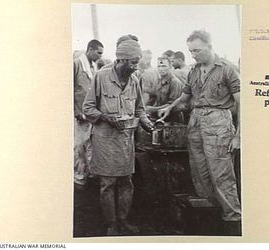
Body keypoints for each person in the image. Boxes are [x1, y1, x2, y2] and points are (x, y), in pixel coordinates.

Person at [158, 30, 241, 235]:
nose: (194, 55)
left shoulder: (227, 69)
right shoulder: (194, 71)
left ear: (210, 46)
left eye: (197, 50)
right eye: (191, 51)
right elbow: (185, 98)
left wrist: (239, 136)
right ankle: (211, 221)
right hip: (195, 123)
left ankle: (233, 221)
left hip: (218, 122)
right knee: (200, 174)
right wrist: (170, 108)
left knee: (221, 175)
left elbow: (243, 104)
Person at [82, 39, 154, 236]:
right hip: (105, 139)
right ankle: (111, 224)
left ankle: (123, 220)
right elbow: (87, 108)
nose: (135, 66)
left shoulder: (134, 79)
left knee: (126, 182)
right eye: (132, 62)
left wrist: (147, 123)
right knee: (107, 183)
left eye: (137, 62)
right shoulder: (101, 76)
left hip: (125, 140)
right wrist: (107, 118)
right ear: (121, 60)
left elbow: (139, 109)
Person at [73, 39, 104, 186]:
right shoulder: (76, 64)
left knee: (91, 144)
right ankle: (79, 177)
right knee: (79, 146)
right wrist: (75, 111)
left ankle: (90, 174)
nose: (100, 56)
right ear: (90, 49)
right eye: (98, 53)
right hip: (79, 114)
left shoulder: (94, 66)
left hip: (91, 113)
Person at [146, 57, 182, 122]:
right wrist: (146, 107)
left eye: (164, 66)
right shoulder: (158, 81)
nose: (161, 69)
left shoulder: (175, 82)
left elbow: (173, 104)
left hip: (172, 119)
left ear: (170, 66)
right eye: (159, 66)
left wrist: (153, 109)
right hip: (159, 117)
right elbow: (153, 97)